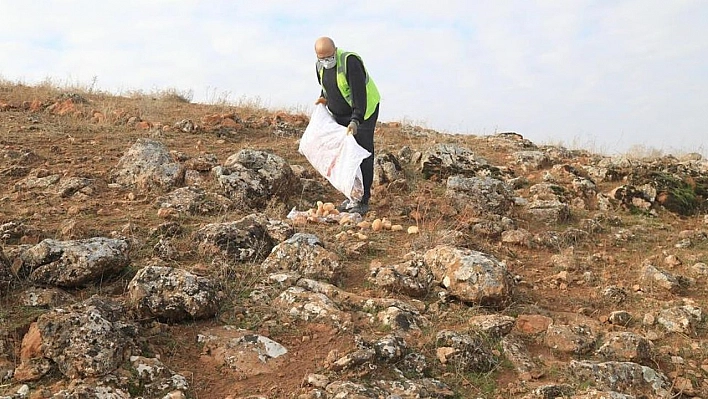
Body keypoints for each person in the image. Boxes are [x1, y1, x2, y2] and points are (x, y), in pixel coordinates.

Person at [314, 36, 380, 215]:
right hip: (341, 114)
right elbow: (327, 84)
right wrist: (323, 97)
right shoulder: (320, 65)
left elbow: (359, 94)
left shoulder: (349, 62)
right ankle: (352, 196)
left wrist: (356, 120)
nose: (326, 61)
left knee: (363, 152)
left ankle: (364, 199)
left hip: (364, 111)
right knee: (347, 155)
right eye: (322, 58)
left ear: (335, 51)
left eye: (329, 57)